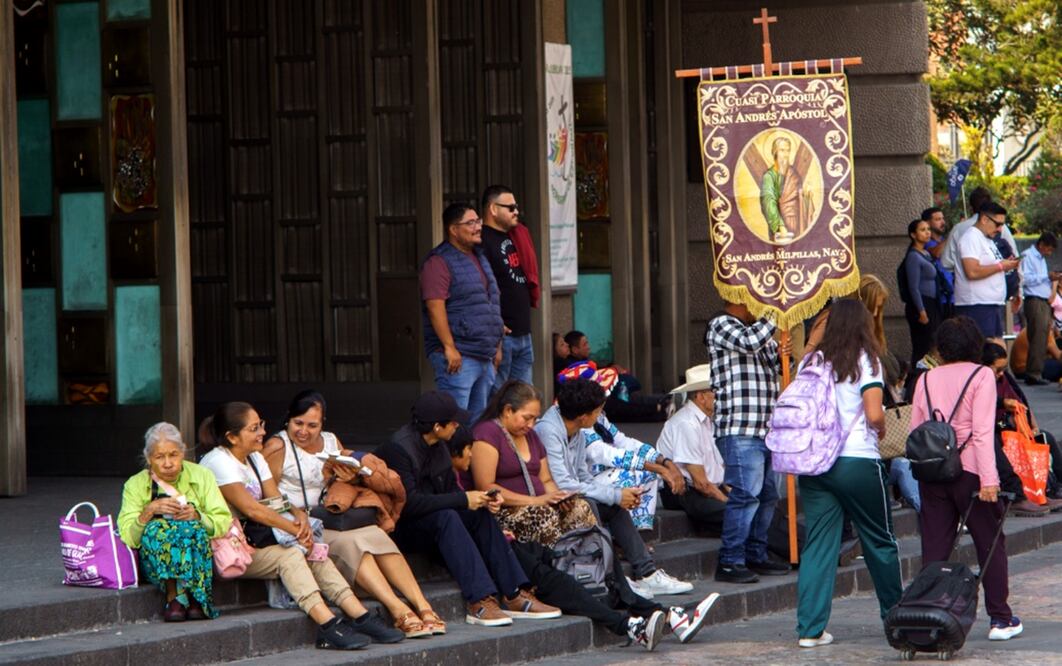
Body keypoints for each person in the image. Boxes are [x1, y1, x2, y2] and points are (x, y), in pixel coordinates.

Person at [198, 402, 405, 649]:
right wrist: (294, 530)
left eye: (261, 425)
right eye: (254, 428)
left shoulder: (254, 457)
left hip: (256, 539)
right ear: (232, 437)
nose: (263, 432)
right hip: (229, 550)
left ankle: (359, 615)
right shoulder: (218, 462)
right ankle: (328, 625)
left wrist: (299, 518)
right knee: (292, 556)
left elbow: (274, 500)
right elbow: (252, 509)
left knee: (314, 549)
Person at [262, 390, 443, 638]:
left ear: (322, 423)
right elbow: (267, 497)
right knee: (354, 543)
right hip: (301, 525)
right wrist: (295, 516)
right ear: (288, 420)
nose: (304, 431)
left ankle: (424, 606)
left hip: (334, 515)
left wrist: (349, 477)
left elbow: (342, 480)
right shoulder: (276, 446)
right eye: (298, 423)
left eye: (312, 425)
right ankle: (399, 609)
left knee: (374, 535)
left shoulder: (330, 440)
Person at [375, 391, 561, 627]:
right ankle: (480, 599)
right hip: (404, 527)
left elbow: (452, 490)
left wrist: (481, 500)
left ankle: (514, 592)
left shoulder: (440, 445)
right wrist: (464, 500)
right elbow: (410, 503)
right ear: (436, 426)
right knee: (448, 515)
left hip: (436, 520)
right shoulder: (399, 449)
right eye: (453, 422)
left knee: (478, 514)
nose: (457, 426)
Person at [793, 299, 903, 648]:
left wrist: (812, 339)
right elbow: (873, 413)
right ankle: (895, 617)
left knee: (819, 545)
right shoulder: (866, 361)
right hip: (856, 460)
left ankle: (810, 629)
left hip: (815, 464)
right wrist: (883, 426)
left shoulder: (812, 360)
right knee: (879, 540)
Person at [909, 317, 1024, 641]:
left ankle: (930, 615)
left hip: (932, 472)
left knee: (934, 546)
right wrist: (990, 480)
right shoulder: (982, 375)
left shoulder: (927, 378)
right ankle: (1000, 619)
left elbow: (917, 430)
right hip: (972, 470)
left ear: (941, 348)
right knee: (989, 543)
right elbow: (983, 431)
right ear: (974, 345)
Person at [536, 378, 694, 599]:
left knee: (612, 506)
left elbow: (582, 475)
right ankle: (612, 576)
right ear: (584, 416)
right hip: (551, 499)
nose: (601, 414)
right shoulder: (548, 431)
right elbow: (564, 483)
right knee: (594, 503)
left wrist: (616, 497)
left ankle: (646, 572)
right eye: (597, 411)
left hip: (573, 493)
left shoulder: (578, 429)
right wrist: (614, 494)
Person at [705, 301, 791, 584]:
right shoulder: (721, 325)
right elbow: (750, 343)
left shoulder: (756, 330)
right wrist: (774, 311)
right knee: (745, 496)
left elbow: (773, 366)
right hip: (740, 428)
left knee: (767, 496)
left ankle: (756, 553)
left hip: (766, 429)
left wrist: (782, 355)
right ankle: (730, 560)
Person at [117, 422, 232, 622]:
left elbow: (222, 521)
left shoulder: (201, 475)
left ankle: (194, 595)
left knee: (191, 527)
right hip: (154, 564)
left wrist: (198, 516)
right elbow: (128, 538)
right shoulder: (135, 485)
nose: (168, 463)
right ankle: (176, 597)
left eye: (173, 455)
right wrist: (148, 512)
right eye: (159, 457)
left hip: (198, 554)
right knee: (159, 528)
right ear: (148, 458)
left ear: (183, 452)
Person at [470, 380, 597, 546]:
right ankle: (556, 568)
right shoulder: (487, 433)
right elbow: (486, 486)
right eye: (527, 418)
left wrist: (559, 499)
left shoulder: (531, 436)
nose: (531, 425)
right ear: (508, 410)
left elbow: (545, 480)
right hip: (504, 512)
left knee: (580, 509)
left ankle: (588, 565)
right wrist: (536, 501)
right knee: (544, 516)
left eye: (535, 419)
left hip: (538, 505)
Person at [420, 202, 505, 422]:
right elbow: (434, 306)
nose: (478, 227)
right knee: (454, 423)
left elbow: (490, 303)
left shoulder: (480, 256)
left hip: (484, 355)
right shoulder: (438, 261)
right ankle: (450, 458)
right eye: (470, 223)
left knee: (478, 424)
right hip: (459, 357)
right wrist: (449, 347)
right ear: (453, 229)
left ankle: (472, 459)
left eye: (478, 221)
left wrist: (496, 346)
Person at [980, 343, 1062, 516]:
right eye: (997, 369)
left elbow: (1022, 403)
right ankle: (1021, 496)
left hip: (1012, 428)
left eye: (1003, 368)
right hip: (994, 431)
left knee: (1044, 438)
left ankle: (1052, 488)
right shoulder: (980, 383)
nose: (1001, 373)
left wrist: (1033, 427)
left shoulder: (1004, 379)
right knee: (1005, 446)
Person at [655, 365, 727, 534]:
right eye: (715, 392)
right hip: (685, 492)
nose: (720, 397)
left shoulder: (706, 420)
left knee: (755, 510)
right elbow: (701, 483)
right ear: (701, 397)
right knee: (739, 514)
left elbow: (717, 469)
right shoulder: (686, 423)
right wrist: (727, 501)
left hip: (707, 488)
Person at [480, 185, 536, 388]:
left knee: (523, 399)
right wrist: (494, 326)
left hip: (523, 332)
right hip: (501, 335)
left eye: (517, 207)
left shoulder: (514, 235)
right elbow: (481, 288)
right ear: (493, 209)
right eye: (510, 208)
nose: (516, 212)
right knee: (497, 400)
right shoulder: (482, 240)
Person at [952, 202, 1020, 339]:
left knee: (995, 351)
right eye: (998, 224)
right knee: (984, 352)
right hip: (976, 305)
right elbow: (972, 272)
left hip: (990, 303)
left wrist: (1007, 264)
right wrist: (1001, 266)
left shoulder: (987, 238)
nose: (1001, 229)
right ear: (984, 219)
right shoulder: (971, 237)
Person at [940, 187, 1017, 274]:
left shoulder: (959, 229)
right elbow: (972, 272)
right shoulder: (971, 235)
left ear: (971, 207)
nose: (998, 229)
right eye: (997, 225)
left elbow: (947, 263)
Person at [1020, 233, 1060, 385]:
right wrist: (1046, 277)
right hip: (1034, 300)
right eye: (1048, 250)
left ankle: (1036, 370)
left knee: (1042, 336)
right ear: (1041, 245)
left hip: (1043, 300)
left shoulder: (1040, 259)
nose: (1049, 253)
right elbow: (1025, 279)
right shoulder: (1027, 256)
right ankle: (1033, 373)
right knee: (1037, 336)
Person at [902, 219, 942, 365]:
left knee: (933, 343)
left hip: (932, 302)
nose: (927, 233)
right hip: (922, 304)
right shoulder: (913, 256)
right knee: (923, 345)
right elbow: (914, 286)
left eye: (928, 229)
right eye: (922, 230)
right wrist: (921, 311)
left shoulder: (925, 253)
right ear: (913, 234)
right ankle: (917, 378)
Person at [760, 135, 812, 241]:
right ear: (775, 152)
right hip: (781, 227)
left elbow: (798, 197)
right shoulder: (769, 176)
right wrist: (780, 226)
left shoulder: (793, 173)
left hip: (797, 222)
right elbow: (768, 201)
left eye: (788, 151)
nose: (785, 154)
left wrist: (805, 194)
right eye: (782, 150)